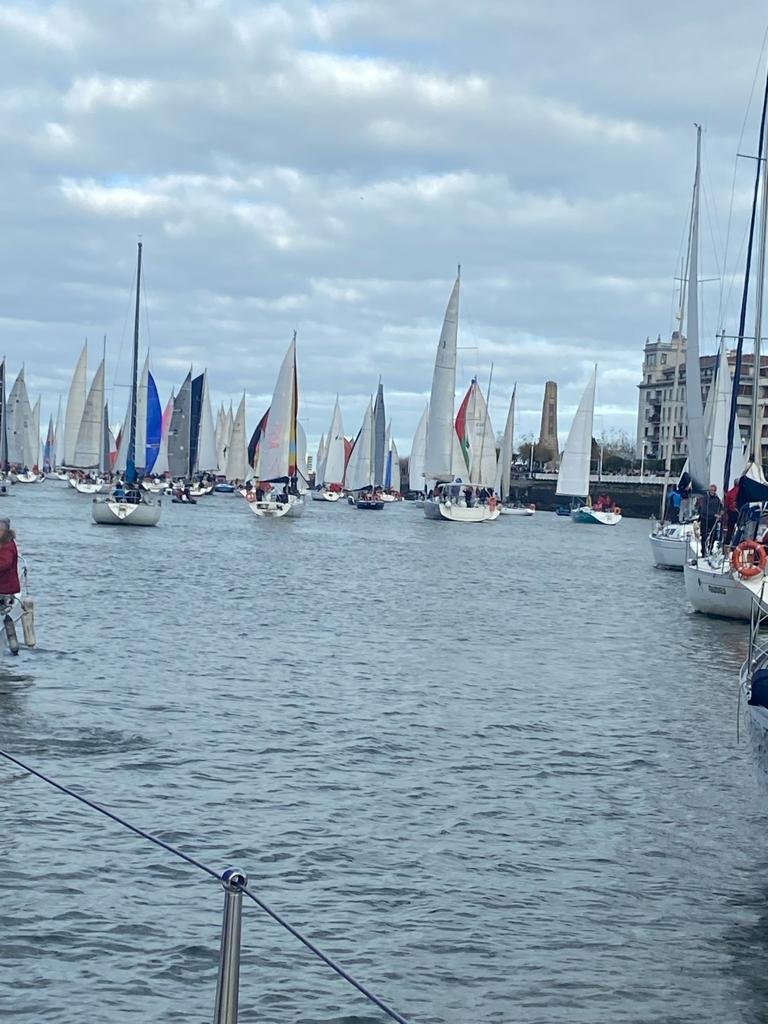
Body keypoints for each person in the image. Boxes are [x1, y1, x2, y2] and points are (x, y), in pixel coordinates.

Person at [697, 483, 723, 556]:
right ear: (709, 490)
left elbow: (720, 507)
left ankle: (710, 549)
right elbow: (704, 509)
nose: (712, 491)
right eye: (711, 490)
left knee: (713, 536)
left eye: (713, 490)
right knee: (704, 536)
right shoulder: (705, 498)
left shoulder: (717, 499)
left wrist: (721, 512)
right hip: (705, 519)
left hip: (713, 520)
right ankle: (703, 551)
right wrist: (714, 514)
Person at [0, 518, 20, 598]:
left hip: (5, 587)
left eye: (1, 530)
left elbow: (5, 564)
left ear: (5, 532)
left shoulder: (8, 545)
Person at [724, 477, 741, 549]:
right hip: (740, 513)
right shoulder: (742, 493)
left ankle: (726, 544)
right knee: (740, 529)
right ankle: (738, 544)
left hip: (731, 512)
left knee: (730, 529)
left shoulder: (730, 492)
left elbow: (726, 503)